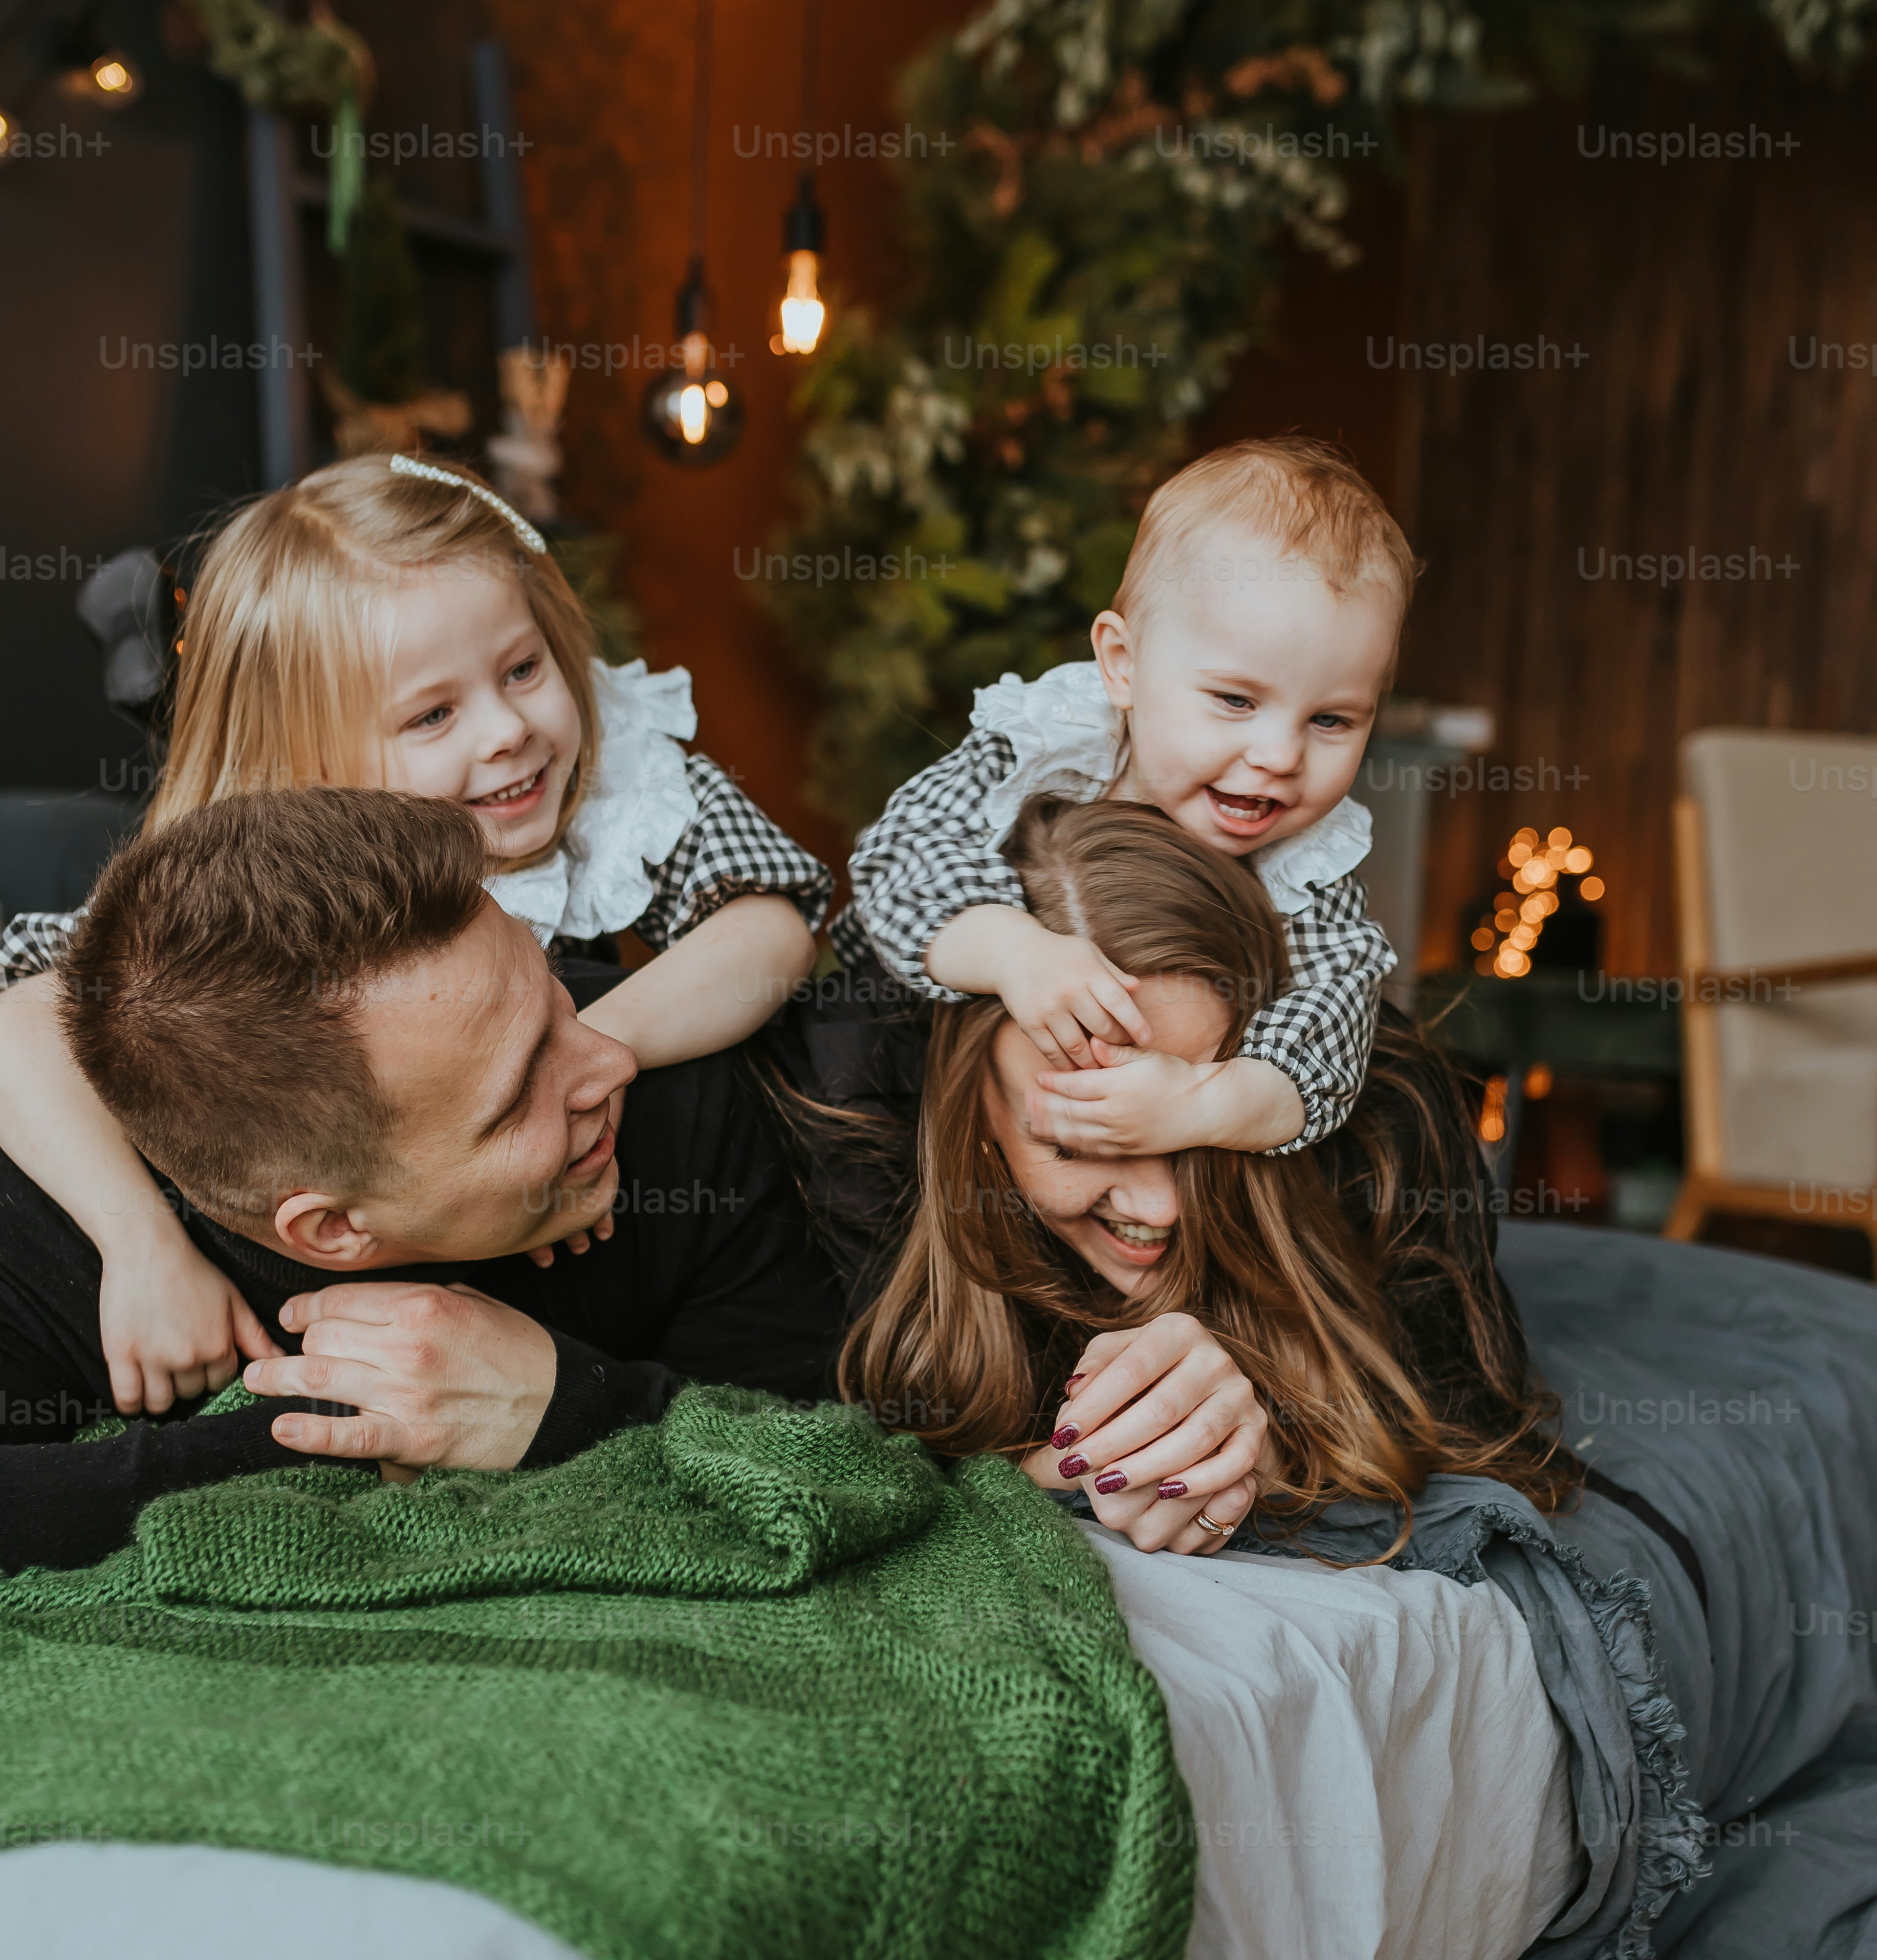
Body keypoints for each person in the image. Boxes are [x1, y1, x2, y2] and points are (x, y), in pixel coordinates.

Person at [0, 784, 1292, 1580]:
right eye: (520, 1092)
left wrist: (564, 1406)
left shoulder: (668, 1109)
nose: (600, 1063)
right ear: (331, 1229)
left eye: (556, 996)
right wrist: (327, 1438)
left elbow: (832, 1453)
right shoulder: (50, 1235)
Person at [0, 452, 829, 1421]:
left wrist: (569, 1083)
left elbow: (770, 929)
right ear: (310, 761)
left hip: (586, 1245)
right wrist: (139, 1244)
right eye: (434, 714)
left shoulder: (622, 776)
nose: (509, 728)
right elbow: (27, 1014)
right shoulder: (256, 883)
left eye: (523, 669)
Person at [786, 795, 1571, 1559]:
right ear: (968, 1088)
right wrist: (1089, 1458)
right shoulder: (855, 1104)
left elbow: (1473, 1418)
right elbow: (828, 1436)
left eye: (1203, 1126)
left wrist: (1267, 1439)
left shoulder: (1379, 1100)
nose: (1161, 1208)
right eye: (1083, 1139)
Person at [835, 434, 1408, 1172]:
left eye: (1331, 720)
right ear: (1123, 666)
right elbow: (900, 856)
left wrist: (1204, 1104)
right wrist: (1017, 951)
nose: (1281, 757)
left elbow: (1336, 1017)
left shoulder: (1309, 862)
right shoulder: (1052, 745)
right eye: (1235, 700)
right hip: (902, 1048)